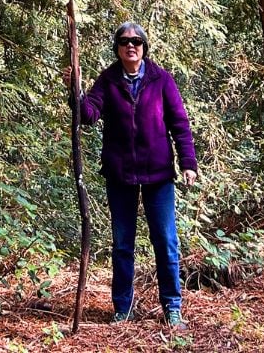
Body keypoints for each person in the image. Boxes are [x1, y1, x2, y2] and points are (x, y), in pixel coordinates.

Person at [66, 22, 197, 328]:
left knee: (165, 240)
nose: (131, 45)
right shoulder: (109, 79)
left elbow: (180, 124)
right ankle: (123, 308)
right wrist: (75, 91)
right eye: (125, 41)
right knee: (123, 244)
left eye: (136, 41)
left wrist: (188, 162)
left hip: (159, 174)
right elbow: (89, 114)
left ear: (143, 46)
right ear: (118, 47)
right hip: (120, 175)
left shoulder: (161, 79)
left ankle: (172, 307)